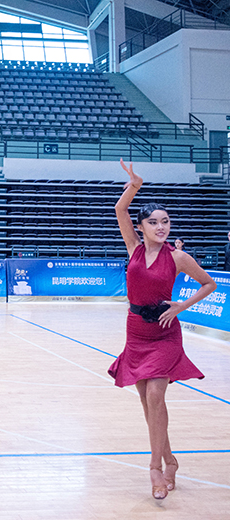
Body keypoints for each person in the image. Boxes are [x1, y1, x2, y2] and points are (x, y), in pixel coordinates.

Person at [109, 159, 216, 500]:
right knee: (147, 401)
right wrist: (134, 185)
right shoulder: (134, 248)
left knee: (156, 394)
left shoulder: (178, 257)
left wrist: (182, 306)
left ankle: (155, 467)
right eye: (153, 222)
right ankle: (171, 460)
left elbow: (209, 284)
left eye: (165, 221)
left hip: (165, 332)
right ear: (141, 226)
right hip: (136, 331)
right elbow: (120, 209)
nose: (161, 226)